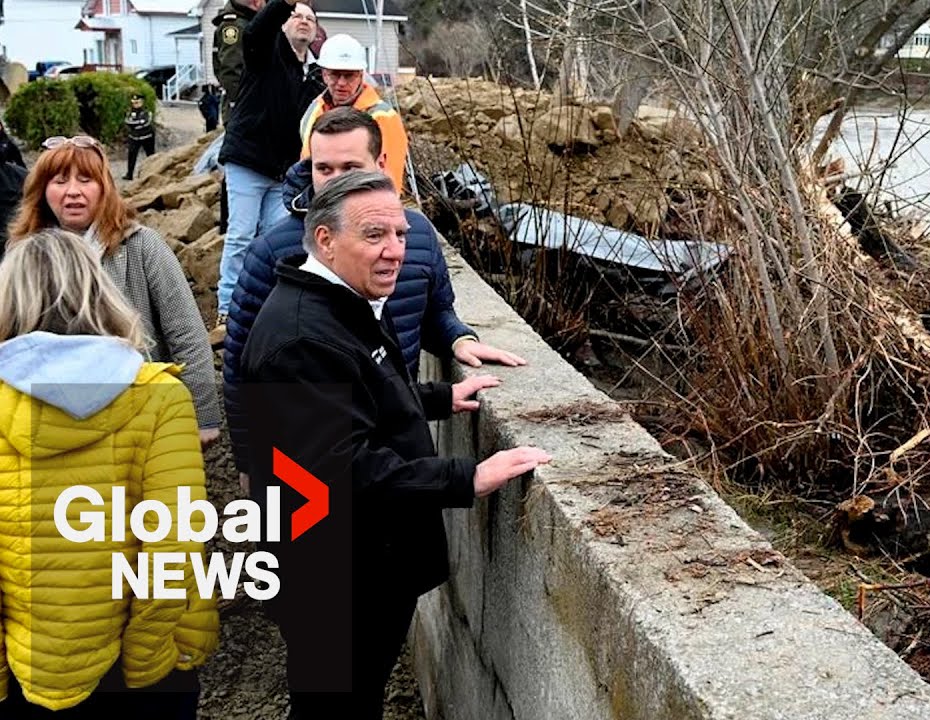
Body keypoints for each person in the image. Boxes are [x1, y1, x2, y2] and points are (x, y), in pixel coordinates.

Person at [239, 170, 550, 718]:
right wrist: (467, 477)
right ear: (325, 240)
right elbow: (341, 467)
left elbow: (359, 396)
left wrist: (438, 398)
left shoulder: (337, 304)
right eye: (375, 235)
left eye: (401, 235)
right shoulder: (301, 337)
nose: (394, 252)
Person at [223, 107, 525, 483]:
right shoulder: (272, 253)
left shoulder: (414, 236)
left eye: (349, 168)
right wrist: (248, 462)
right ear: (324, 243)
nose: (333, 182)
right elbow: (239, 368)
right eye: (324, 169)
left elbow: (430, 312)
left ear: (380, 163)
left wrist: (457, 339)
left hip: (399, 443)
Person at [0, 228, 218, 718]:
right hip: (144, 664)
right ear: (98, 289)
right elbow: (173, 542)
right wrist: (146, 659)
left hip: (33, 667)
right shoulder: (161, 397)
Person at [7, 135, 222, 443]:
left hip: (136, 413)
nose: (73, 192)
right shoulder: (24, 254)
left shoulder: (141, 245)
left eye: (86, 179)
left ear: (105, 187)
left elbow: (187, 334)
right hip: (49, 423)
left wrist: (203, 416)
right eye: (59, 181)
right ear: (41, 189)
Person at [214, 0, 319, 341]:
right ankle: (227, 306)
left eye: (310, 18)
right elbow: (257, 30)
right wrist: (282, 4)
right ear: (283, 25)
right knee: (241, 235)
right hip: (248, 161)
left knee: (277, 240)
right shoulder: (265, 53)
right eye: (296, 16)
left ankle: (270, 304)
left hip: (281, 173)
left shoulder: (315, 75)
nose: (303, 21)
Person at [299, 34, 409, 194]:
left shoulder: (384, 118)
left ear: (360, 75)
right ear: (324, 75)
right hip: (321, 208)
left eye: (349, 75)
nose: (341, 83)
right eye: (335, 74)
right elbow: (306, 166)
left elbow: (390, 180)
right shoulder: (314, 110)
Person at [211, 0, 262, 123]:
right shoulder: (234, 26)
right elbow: (231, 71)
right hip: (244, 111)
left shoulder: (249, 21)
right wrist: (245, 105)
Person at [122, 93, 155, 182]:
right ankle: (129, 174)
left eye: (138, 103)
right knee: (131, 155)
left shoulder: (147, 112)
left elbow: (146, 123)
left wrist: (136, 124)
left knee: (150, 155)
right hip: (134, 137)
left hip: (147, 137)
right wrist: (138, 123)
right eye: (134, 103)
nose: (136, 105)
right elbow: (127, 122)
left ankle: (152, 173)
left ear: (142, 102)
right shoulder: (129, 112)